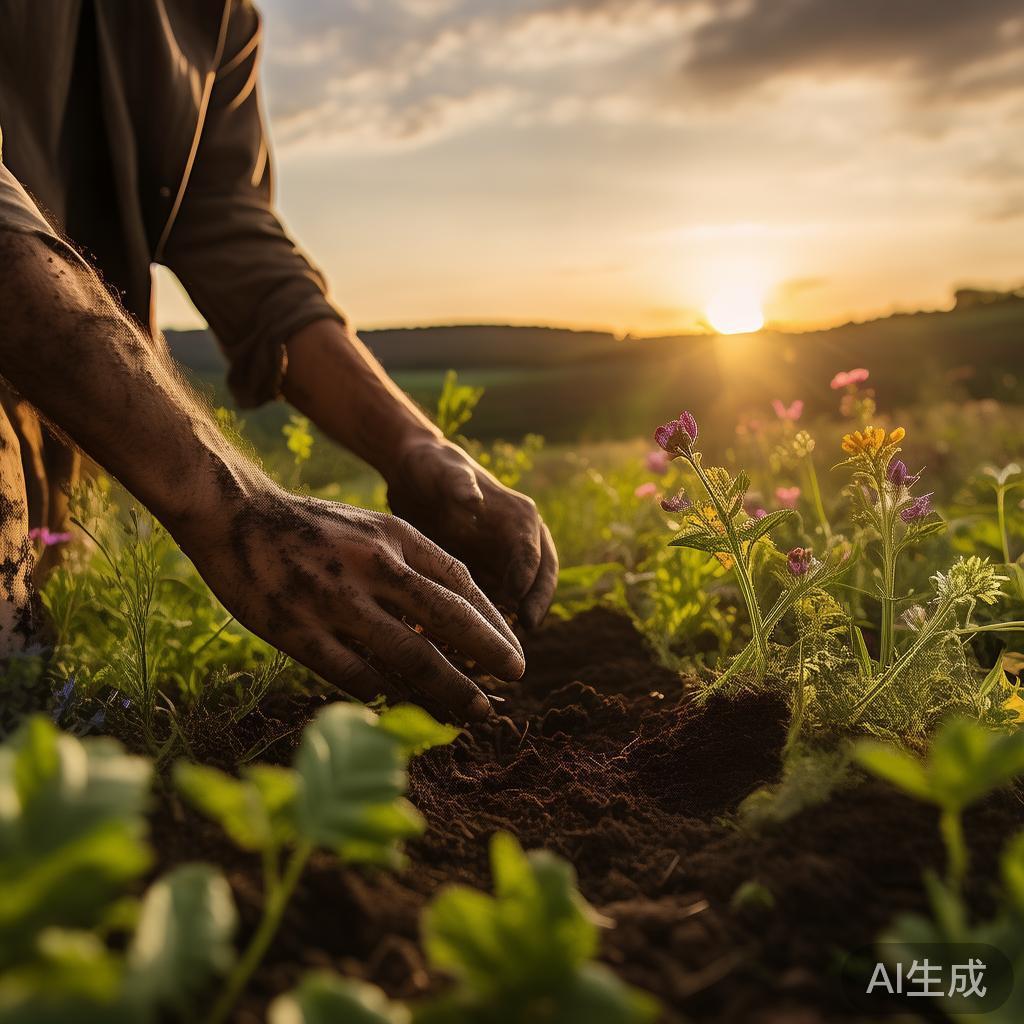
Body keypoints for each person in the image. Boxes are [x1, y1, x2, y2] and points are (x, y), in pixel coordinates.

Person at [0, 0, 557, 721]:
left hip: (59, 423)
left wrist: (412, 443)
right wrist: (232, 506)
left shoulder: (216, 16)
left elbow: (230, 225)